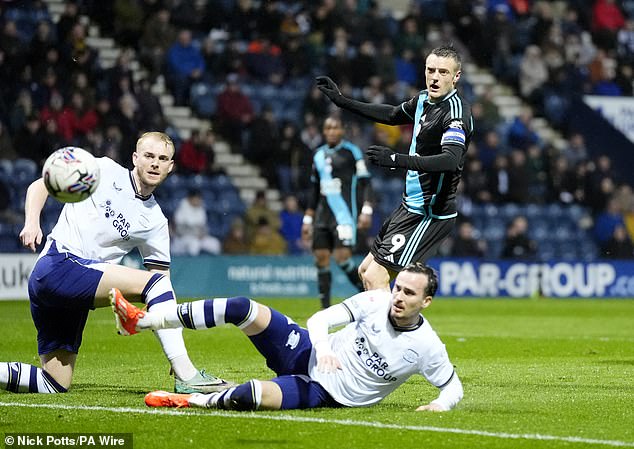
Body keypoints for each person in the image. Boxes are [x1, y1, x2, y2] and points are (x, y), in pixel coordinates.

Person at [0, 132, 230, 394]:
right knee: (153, 285)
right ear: (135, 158)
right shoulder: (105, 170)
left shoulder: (155, 222)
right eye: (149, 156)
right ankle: (187, 376)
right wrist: (32, 222)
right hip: (57, 265)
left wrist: (171, 337)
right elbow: (40, 185)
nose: (155, 163)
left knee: (53, 383)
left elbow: (161, 283)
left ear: (170, 167)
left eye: (163, 158)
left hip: (74, 293)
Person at [111, 262, 463, 412]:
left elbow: (452, 387)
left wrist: (440, 404)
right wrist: (322, 349)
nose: (398, 297)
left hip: (326, 392)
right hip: (308, 351)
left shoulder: (426, 347)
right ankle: (142, 320)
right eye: (398, 287)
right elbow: (321, 318)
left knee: (252, 395)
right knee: (242, 307)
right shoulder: (376, 300)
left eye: (409, 294)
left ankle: (192, 401)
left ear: (426, 302)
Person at [316, 45, 474, 290]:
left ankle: (390, 329)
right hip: (409, 205)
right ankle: (379, 327)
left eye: (443, 72)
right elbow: (391, 114)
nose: (435, 77)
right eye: (431, 70)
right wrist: (342, 102)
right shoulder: (423, 99)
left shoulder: (455, 112)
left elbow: (450, 160)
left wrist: (395, 159)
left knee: (376, 276)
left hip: (429, 212)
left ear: (456, 76)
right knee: (366, 271)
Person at [302, 116, 374, 308]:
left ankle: (367, 294)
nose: (331, 131)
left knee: (342, 258)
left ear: (342, 130)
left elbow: (366, 182)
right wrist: (307, 219)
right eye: (328, 127)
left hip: (344, 216)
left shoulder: (352, 152)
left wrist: (366, 209)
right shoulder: (318, 155)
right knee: (321, 258)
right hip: (322, 217)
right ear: (324, 131)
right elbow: (315, 190)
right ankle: (324, 308)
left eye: (335, 127)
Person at [171, 189, 222, 256]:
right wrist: (196, 234)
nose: (198, 201)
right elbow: (179, 230)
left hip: (198, 237)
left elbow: (204, 227)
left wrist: (203, 234)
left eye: (199, 198)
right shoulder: (181, 209)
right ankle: (193, 265)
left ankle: (213, 265)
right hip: (183, 239)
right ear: (190, 199)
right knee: (194, 244)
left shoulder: (201, 209)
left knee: (215, 243)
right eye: (196, 198)